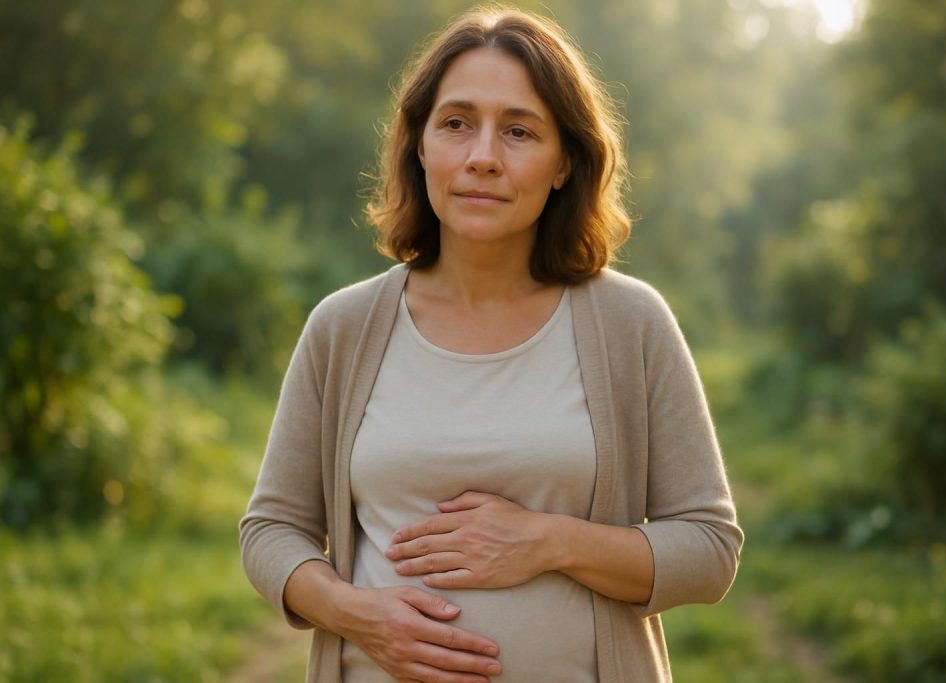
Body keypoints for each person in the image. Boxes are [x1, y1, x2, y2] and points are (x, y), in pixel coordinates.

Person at [240, 7, 743, 682]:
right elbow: (271, 529)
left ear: (565, 160)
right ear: (420, 146)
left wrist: (546, 540)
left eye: (518, 130)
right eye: (456, 123)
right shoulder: (344, 327)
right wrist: (351, 611)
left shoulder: (631, 324)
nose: (482, 157)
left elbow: (709, 551)